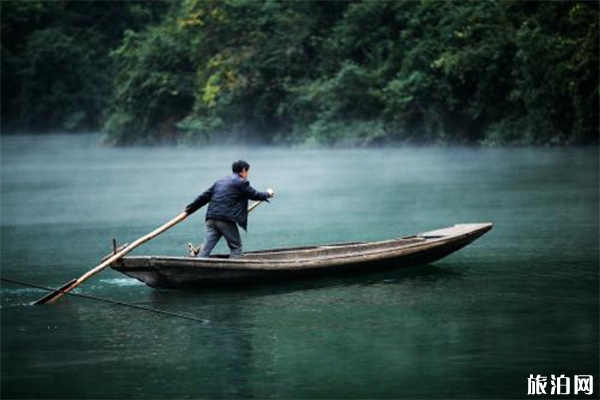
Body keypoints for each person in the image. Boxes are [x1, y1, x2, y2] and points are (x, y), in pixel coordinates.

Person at [185, 160, 274, 258]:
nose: (247, 174)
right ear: (243, 170)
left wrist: (190, 209)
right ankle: (235, 270)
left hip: (211, 218)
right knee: (236, 247)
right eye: (247, 171)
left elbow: (203, 197)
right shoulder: (241, 183)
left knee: (205, 250)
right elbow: (255, 195)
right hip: (225, 220)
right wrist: (268, 194)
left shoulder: (219, 182)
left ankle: (198, 267)